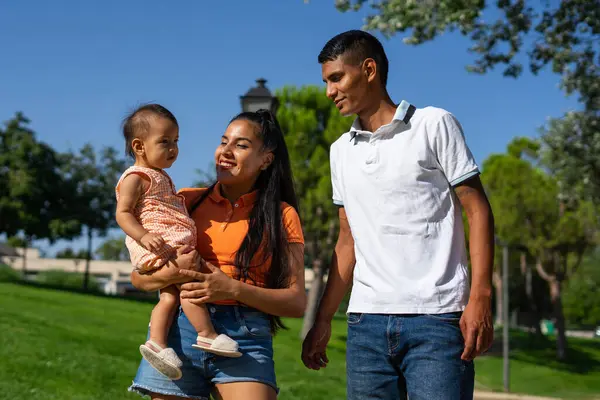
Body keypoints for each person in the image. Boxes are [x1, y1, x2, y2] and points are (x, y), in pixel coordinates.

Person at [301, 30, 495, 400]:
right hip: (364, 324)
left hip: (436, 320)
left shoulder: (434, 124)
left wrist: (480, 297)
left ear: (369, 69)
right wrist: (323, 319)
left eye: (336, 78)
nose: (329, 91)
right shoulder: (340, 151)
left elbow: (477, 209)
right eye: (326, 82)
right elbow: (347, 240)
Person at [127, 109, 307, 400]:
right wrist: (173, 273)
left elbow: (296, 302)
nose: (226, 151)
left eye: (241, 145)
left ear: (266, 159)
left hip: (244, 336)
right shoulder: (183, 201)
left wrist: (232, 288)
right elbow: (138, 278)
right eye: (224, 141)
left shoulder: (282, 215)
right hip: (178, 333)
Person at [116, 104, 241, 380]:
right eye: (164, 142)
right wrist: (144, 236)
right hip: (159, 247)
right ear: (139, 146)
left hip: (166, 248)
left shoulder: (159, 176)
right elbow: (122, 213)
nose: (173, 148)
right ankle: (207, 334)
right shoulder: (136, 177)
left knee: (170, 296)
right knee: (190, 282)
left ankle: (157, 343)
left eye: (176, 141)